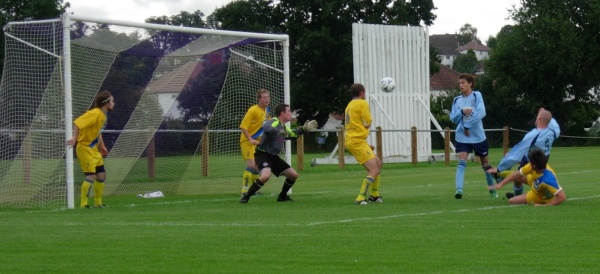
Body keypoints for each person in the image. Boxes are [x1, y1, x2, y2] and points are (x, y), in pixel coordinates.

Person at [240, 104, 317, 203]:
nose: (290, 113)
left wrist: (303, 129)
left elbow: (292, 135)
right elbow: (266, 127)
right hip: (263, 154)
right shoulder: (275, 121)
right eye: (288, 111)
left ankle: (282, 197)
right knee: (265, 176)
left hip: (273, 157)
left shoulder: (283, 126)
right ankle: (246, 196)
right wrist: (279, 131)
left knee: (293, 175)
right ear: (282, 113)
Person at [486, 108, 560, 198]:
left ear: (539, 118)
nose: (536, 119)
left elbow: (517, 153)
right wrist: (545, 114)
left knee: (519, 176)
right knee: (518, 175)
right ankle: (516, 193)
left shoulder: (533, 135)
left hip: (531, 160)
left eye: (537, 117)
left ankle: (499, 175)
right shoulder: (554, 131)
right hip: (543, 160)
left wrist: (499, 168)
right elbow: (551, 121)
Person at [450, 73, 496, 199]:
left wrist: (467, 125)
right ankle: (459, 190)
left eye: (463, 83)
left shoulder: (477, 95)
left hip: (478, 136)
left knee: (485, 164)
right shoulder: (457, 100)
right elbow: (453, 119)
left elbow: (481, 112)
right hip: (462, 137)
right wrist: (461, 112)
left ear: (470, 83)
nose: (461, 85)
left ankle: (492, 189)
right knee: (462, 160)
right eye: (459, 83)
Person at [66, 91, 115, 208]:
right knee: (91, 176)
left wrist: (102, 146)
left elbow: (98, 132)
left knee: (102, 175)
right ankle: (84, 204)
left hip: (94, 150)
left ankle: (98, 203)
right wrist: (74, 137)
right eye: (112, 101)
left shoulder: (102, 115)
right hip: (84, 148)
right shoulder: (95, 113)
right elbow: (78, 123)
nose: (114, 103)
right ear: (107, 103)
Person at [344, 83, 383, 205]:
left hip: (355, 140)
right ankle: (360, 197)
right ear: (362, 92)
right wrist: (367, 126)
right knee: (374, 170)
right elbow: (367, 121)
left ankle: (374, 195)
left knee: (378, 163)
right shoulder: (362, 103)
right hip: (356, 141)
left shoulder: (349, 105)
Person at [491, 149, 565, 206]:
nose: (529, 163)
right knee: (518, 176)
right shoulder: (532, 167)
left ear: (534, 165)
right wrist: (501, 184)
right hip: (534, 182)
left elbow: (561, 197)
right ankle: (498, 174)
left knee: (511, 201)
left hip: (540, 196)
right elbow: (516, 174)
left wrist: (543, 206)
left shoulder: (548, 179)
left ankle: (519, 198)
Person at [239, 89, 270, 197]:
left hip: (257, 142)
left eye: (268, 97)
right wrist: (250, 139)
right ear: (259, 99)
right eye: (264, 97)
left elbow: (268, 125)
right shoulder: (253, 110)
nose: (266, 99)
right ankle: (244, 191)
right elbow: (243, 126)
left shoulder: (267, 111)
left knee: (257, 166)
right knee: (251, 165)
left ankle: (254, 190)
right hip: (247, 141)